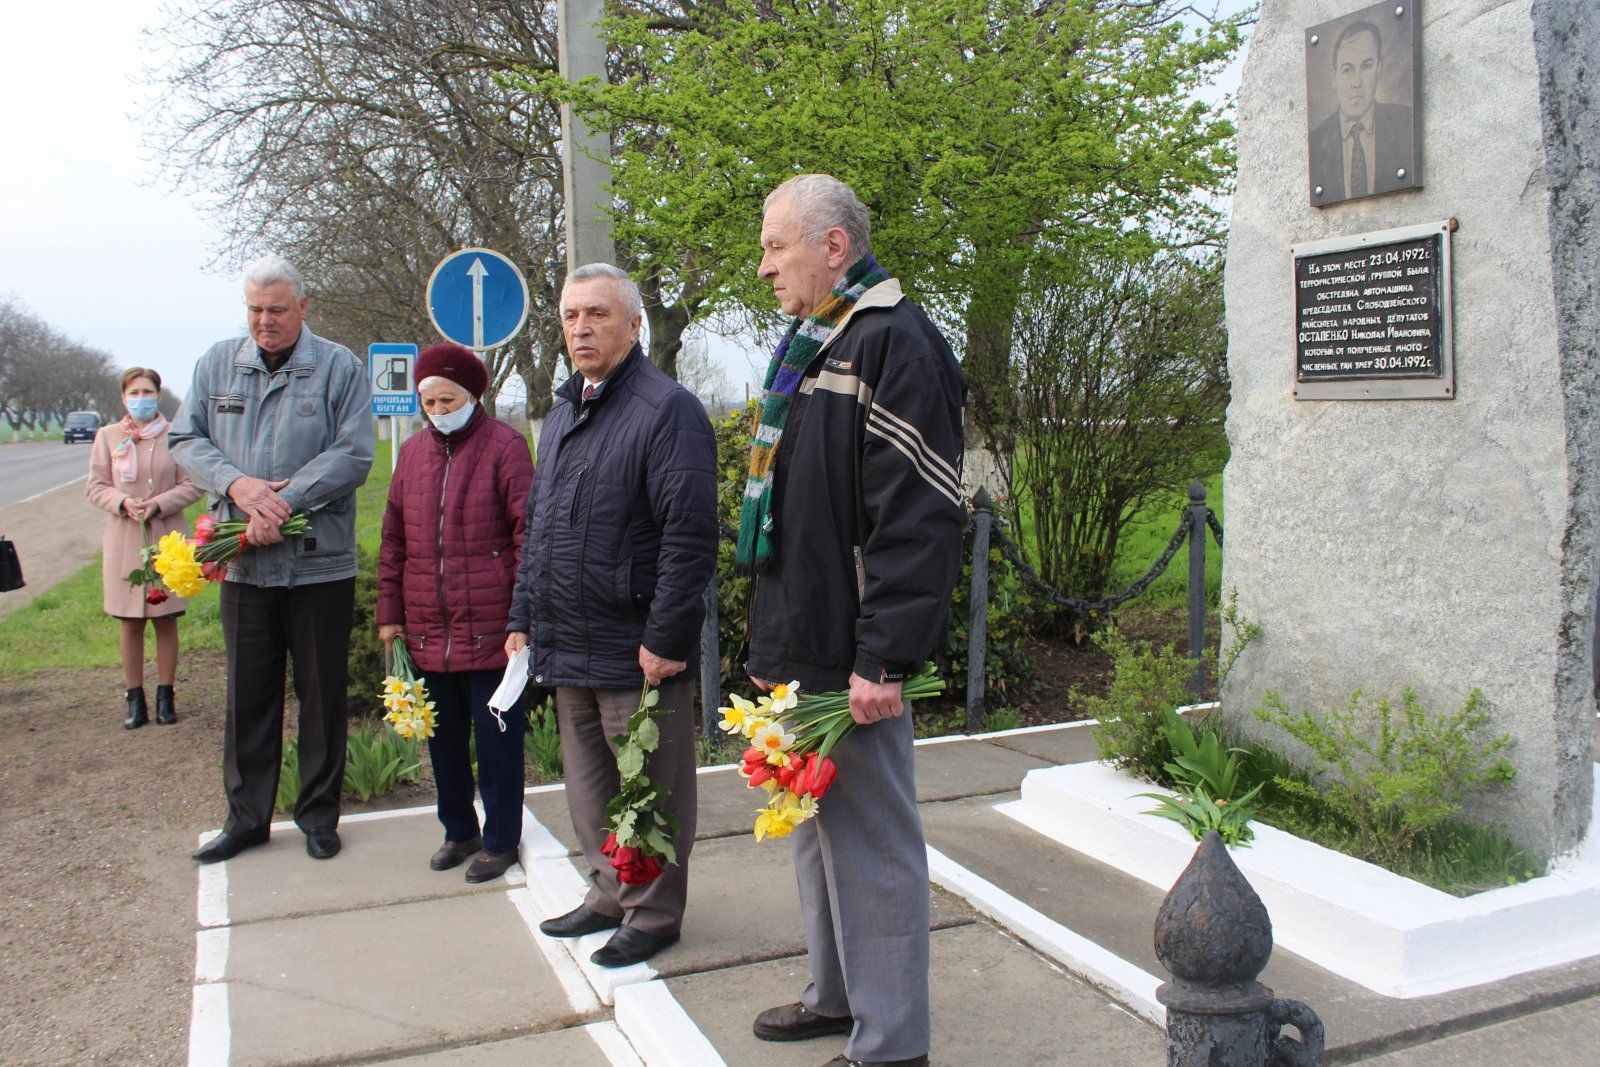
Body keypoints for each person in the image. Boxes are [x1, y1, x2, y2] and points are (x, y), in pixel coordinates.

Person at [741, 175, 965, 1067]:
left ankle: (892, 1044)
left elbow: (917, 520)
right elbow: (794, 512)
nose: (764, 267)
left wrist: (885, 657)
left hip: (854, 654)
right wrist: (775, 642)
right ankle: (836, 994)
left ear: (834, 247)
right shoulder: (817, 339)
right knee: (814, 829)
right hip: (806, 642)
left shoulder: (895, 342)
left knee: (872, 844)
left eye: (776, 246)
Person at [507, 263, 717, 968]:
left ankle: (653, 912)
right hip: (569, 642)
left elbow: (690, 535)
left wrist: (667, 636)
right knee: (591, 788)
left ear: (633, 324)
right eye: (571, 316)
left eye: (597, 313)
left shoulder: (667, 410)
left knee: (649, 790)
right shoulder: (566, 411)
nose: (581, 328)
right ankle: (607, 892)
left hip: (635, 648)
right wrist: (522, 614)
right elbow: (539, 526)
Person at [170, 255, 373, 864]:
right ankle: (246, 820)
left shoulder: (339, 367)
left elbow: (354, 454)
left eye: (277, 309)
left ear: (303, 307)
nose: (265, 321)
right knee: (248, 698)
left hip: (319, 566)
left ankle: (319, 819)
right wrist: (239, 487)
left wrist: (283, 501)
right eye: (255, 309)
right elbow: (185, 438)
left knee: (322, 699)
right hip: (245, 567)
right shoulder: (216, 364)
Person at [377, 342, 534, 883]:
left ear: (473, 396)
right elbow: (393, 539)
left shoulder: (505, 447)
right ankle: (458, 829)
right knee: (442, 741)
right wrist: (390, 614)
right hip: (427, 628)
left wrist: (521, 617)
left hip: (492, 629)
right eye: (429, 402)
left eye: (448, 400)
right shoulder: (411, 454)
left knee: (496, 743)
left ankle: (500, 839)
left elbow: (528, 535)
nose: (439, 411)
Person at [85, 367, 204, 729]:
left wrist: (159, 504)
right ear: (124, 398)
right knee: (130, 622)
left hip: (167, 538)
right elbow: (95, 485)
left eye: (147, 392)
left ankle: (166, 696)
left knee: (166, 619)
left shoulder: (176, 435)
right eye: (134, 393)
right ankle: (134, 699)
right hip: (124, 539)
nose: (141, 399)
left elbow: (193, 484)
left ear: (158, 395)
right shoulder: (108, 436)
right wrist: (122, 502)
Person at [1308, 19, 1416, 202]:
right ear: (1334, 77)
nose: (1356, 82)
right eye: (1347, 69)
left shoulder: (1405, 124)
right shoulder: (1317, 141)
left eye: (1366, 66)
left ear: (1379, 69)